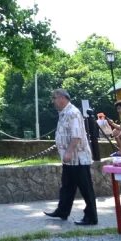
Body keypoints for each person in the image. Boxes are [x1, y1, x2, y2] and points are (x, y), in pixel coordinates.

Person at [43, 89, 97, 226]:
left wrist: (68, 152)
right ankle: (62, 211)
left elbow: (76, 135)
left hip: (78, 158)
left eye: (54, 98)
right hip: (70, 160)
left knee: (86, 188)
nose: (53, 101)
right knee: (67, 186)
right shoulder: (64, 113)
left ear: (62, 98)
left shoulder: (72, 113)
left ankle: (91, 217)